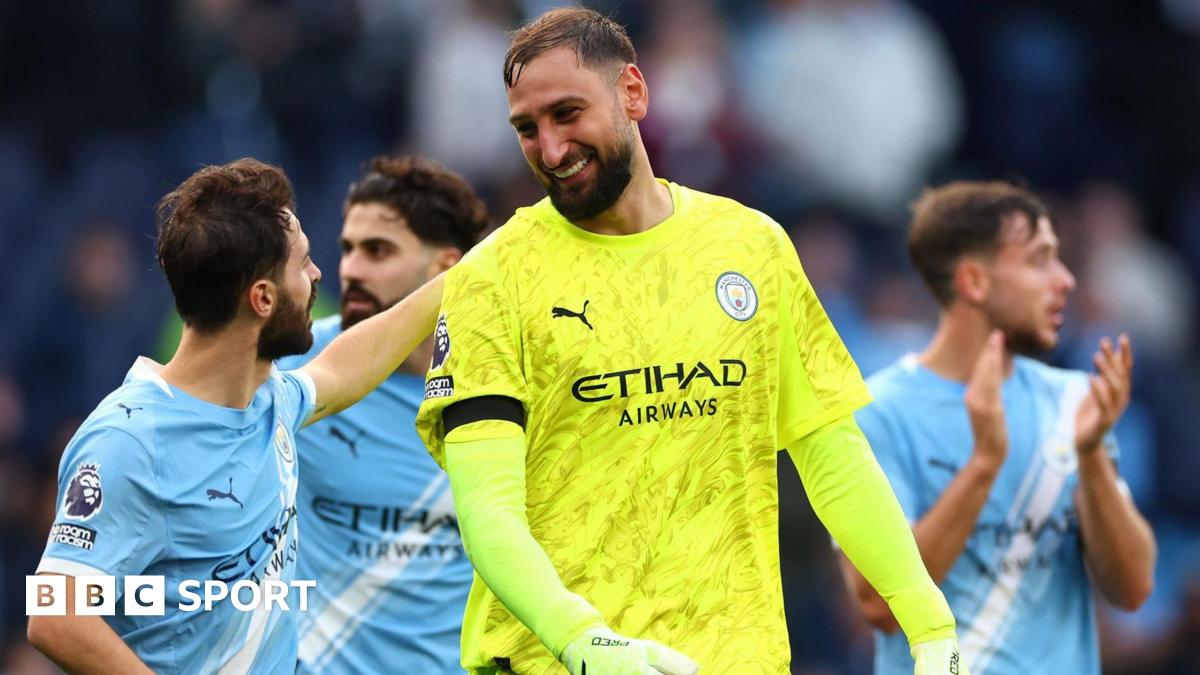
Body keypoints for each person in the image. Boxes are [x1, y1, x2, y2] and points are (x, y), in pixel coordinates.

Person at [415, 8, 969, 675]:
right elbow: (487, 514)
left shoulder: (751, 246)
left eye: (568, 114)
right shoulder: (491, 281)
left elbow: (834, 459)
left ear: (634, 94)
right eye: (527, 129)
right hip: (557, 662)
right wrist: (587, 643)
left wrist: (929, 623)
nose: (552, 150)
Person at [26, 158, 443, 674]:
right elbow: (55, 614)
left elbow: (343, 370)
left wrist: (462, 279)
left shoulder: (270, 402)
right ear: (263, 298)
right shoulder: (131, 439)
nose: (318, 276)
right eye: (304, 264)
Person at [838, 181, 1156, 674]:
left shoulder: (1074, 400)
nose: (1065, 280)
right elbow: (879, 606)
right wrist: (984, 463)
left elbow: (1133, 589)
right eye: (1039, 260)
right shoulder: (874, 413)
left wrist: (1091, 454)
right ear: (974, 281)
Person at [276, 156, 488, 674]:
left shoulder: (503, 383)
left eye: (378, 251)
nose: (350, 269)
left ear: (446, 269)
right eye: (347, 249)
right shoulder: (297, 367)